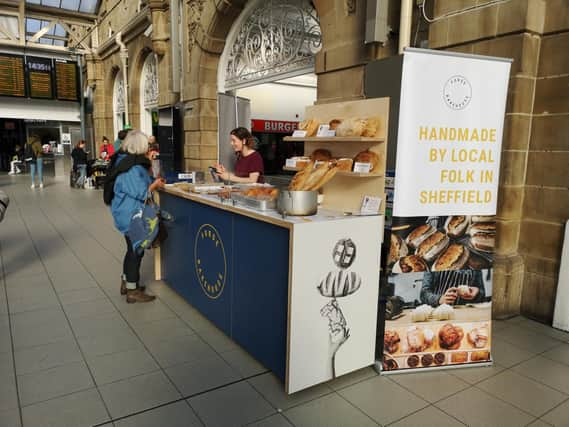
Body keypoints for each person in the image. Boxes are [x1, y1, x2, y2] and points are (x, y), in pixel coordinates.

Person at [109, 129, 164, 303]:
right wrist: (155, 184)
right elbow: (141, 192)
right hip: (131, 215)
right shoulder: (131, 168)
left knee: (131, 249)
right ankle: (132, 290)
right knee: (136, 251)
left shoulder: (124, 161)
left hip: (124, 212)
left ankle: (127, 283)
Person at [420, 270, 486, 307]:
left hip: (464, 313)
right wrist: (439, 299)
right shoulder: (433, 265)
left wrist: (477, 292)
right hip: (439, 312)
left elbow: (482, 293)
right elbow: (424, 294)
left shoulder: (475, 268)